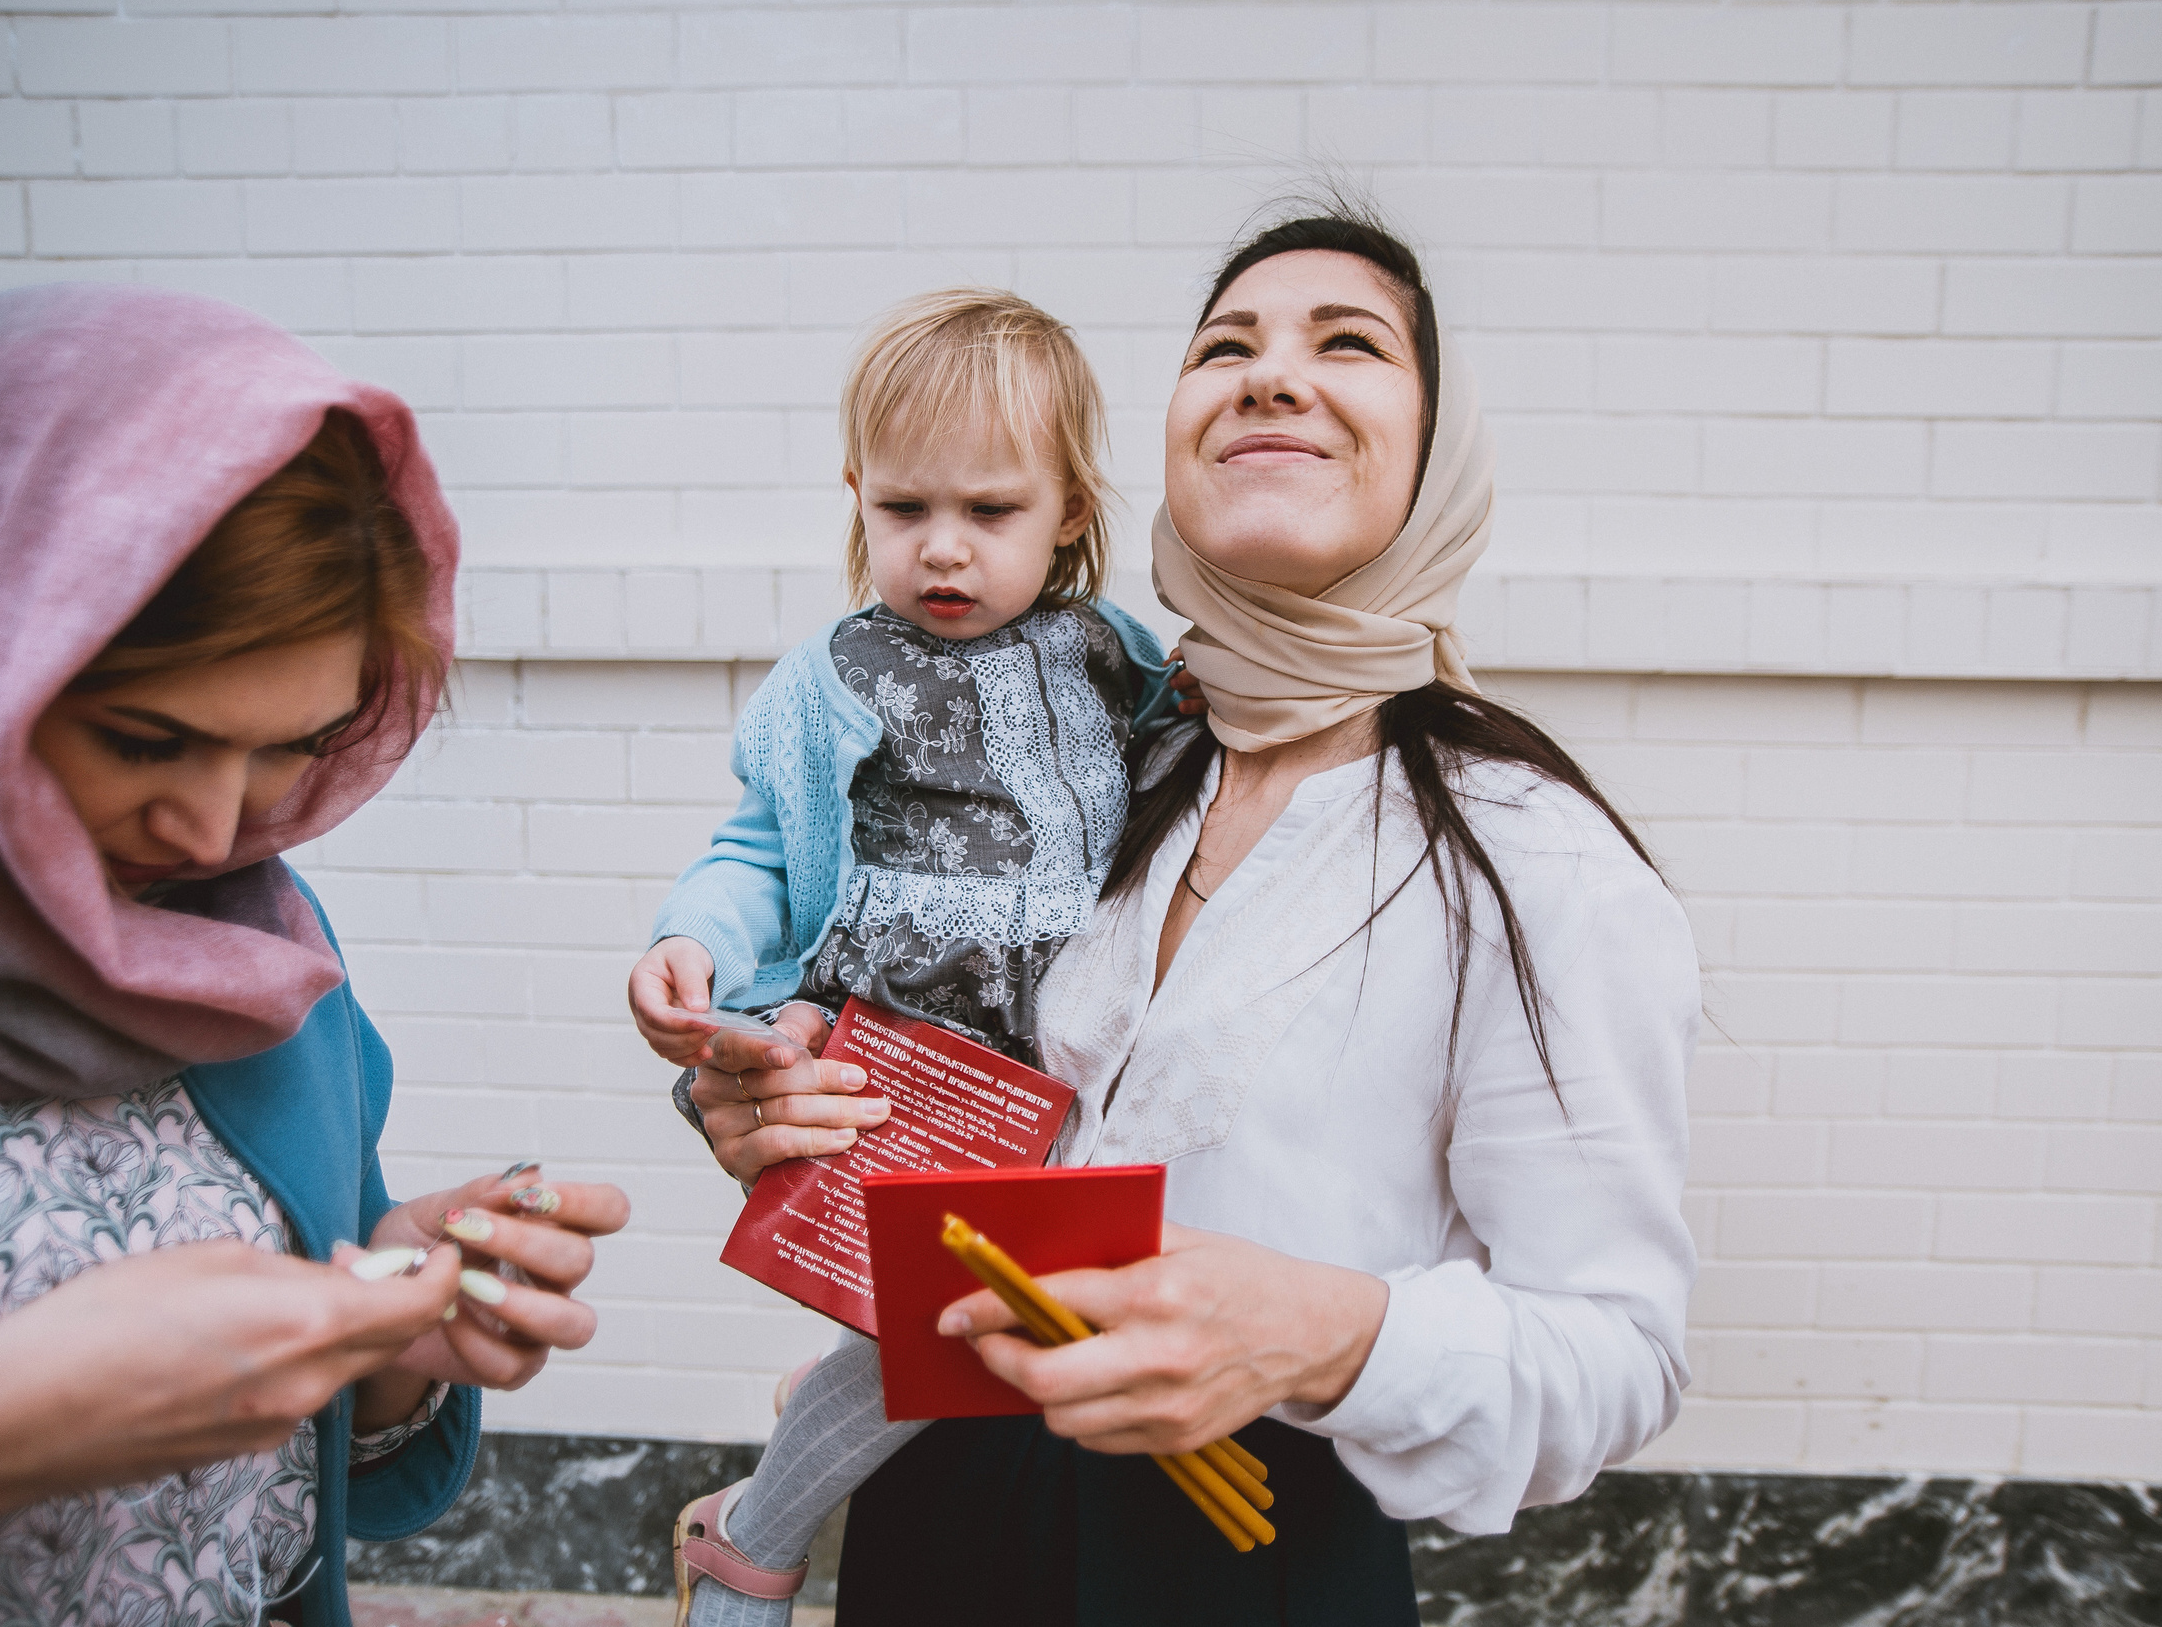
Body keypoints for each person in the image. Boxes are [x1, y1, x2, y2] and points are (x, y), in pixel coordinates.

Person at [678, 210, 1700, 1626]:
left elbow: (1619, 1354)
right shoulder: (1087, 766)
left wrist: (1324, 1332)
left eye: (1347, 344)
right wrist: (790, 1106)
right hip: (930, 1528)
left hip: (1247, 1563)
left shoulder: (1533, 861)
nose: (1273, 375)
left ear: (1439, 453)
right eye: (1228, 345)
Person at [0, 286, 629, 1627]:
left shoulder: (254, 949)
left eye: (294, 748)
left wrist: (387, 1336)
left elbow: (308, 1480)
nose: (210, 828)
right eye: (144, 739)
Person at [622, 290, 1193, 1625]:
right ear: (856, 496)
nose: (942, 549)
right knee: (929, 1324)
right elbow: (759, 844)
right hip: (899, 1058)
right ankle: (756, 1537)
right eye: (903, 510)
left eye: (990, 512)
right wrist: (694, 938)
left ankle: (763, 1498)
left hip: (1057, 1068)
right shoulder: (834, 673)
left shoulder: (1119, 659)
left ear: (1067, 510)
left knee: (962, 1331)